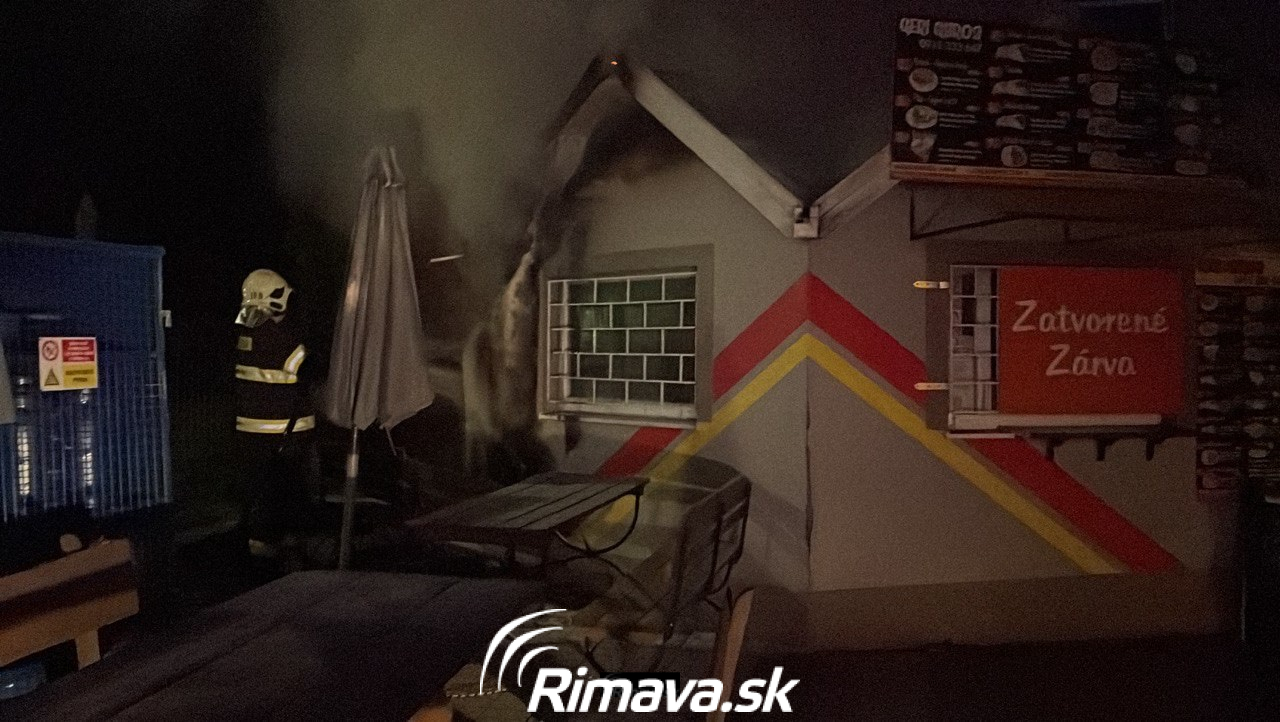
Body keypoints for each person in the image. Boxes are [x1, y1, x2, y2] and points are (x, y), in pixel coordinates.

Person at [232, 269, 314, 565]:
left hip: (250, 429)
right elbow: (310, 367)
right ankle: (281, 547)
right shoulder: (281, 338)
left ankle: (256, 543)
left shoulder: (245, 334)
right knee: (284, 489)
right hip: (284, 431)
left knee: (258, 487)